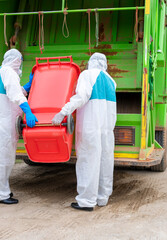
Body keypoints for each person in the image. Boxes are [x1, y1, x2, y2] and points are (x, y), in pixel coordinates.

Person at [52, 53, 117, 211]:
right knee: (105, 160)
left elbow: (81, 97)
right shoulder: (111, 81)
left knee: (88, 162)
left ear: (90, 62)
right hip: (107, 128)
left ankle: (86, 201)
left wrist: (63, 112)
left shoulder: (87, 75)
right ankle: (102, 197)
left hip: (90, 125)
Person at [0, 49, 38, 204]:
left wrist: (28, 86)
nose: (21, 63)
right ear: (16, 60)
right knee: (2, 160)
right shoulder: (8, 72)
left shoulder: (2, 71)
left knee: (6, 159)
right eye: (20, 60)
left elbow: (14, 92)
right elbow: (15, 95)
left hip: (4, 123)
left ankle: (3, 191)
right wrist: (28, 111)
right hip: (4, 124)